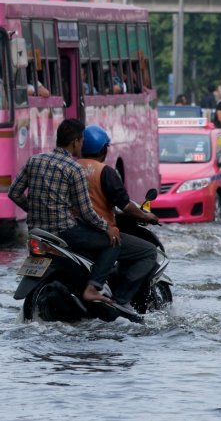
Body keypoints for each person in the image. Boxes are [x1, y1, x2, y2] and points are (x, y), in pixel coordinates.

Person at [7, 119, 119, 305]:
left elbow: (14, 193)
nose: (82, 145)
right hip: (64, 233)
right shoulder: (74, 169)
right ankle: (92, 288)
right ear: (75, 141)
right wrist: (108, 228)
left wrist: (33, 209)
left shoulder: (35, 160)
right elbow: (86, 212)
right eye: (81, 141)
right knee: (113, 243)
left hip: (37, 232)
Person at [77, 125, 159, 309]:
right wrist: (145, 216)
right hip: (101, 232)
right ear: (103, 149)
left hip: (75, 231)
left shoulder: (72, 168)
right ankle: (121, 300)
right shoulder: (105, 172)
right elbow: (125, 205)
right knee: (148, 252)